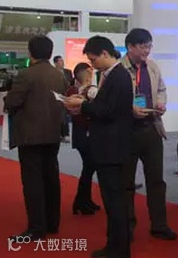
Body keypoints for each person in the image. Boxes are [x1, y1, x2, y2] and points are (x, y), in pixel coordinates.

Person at [64, 36, 134, 258]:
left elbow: (107, 111)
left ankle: (118, 249)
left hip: (111, 148)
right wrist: (84, 106)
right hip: (109, 146)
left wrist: (83, 105)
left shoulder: (118, 76)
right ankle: (115, 246)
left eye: (93, 59)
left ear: (105, 53)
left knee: (114, 202)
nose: (92, 64)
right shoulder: (112, 75)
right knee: (113, 201)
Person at [4, 35, 69, 240]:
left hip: (30, 135)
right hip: (52, 133)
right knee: (51, 178)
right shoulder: (59, 75)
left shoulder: (26, 74)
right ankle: (52, 223)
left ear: (30, 52)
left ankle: (36, 227)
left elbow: (13, 101)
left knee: (33, 182)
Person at [120, 28, 177, 241]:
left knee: (156, 181)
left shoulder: (152, 67)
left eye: (149, 46)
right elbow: (110, 100)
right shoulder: (118, 70)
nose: (147, 51)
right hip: (128, 132)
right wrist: (130, 109)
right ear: (130, 47)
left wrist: (161, 103)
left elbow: (161, 89)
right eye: (143, 46)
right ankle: (127, 227)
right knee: (126, 183)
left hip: (151, 128)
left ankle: (159, 225)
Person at [67, 62, 101, 215]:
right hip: (89, 134)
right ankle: (81, 201)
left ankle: (84, 200)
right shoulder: (92, 91)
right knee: (89, 168)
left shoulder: (72, 91)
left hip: (79, 133)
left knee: (88, 167)